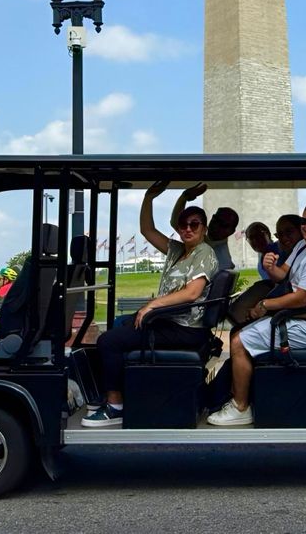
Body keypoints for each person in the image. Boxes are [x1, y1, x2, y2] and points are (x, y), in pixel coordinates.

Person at [82, 180, 219, 427]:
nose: (188, 229)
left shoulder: (204, 253)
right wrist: (149, 197)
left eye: (194, 224)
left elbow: (192, 293)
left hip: (184, 328)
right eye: (184, 225)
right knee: (119, 323)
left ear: (204, 228)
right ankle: (115, 391)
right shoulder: (178, 250)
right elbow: (147, 230)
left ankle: (115, 407)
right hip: (168, 320)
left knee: (108, 341)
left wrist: (152, 305)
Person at [207, 202, 306, 426]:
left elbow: (300, 299)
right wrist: (270, 267)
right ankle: (233, 395)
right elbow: (282, 275)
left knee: (239, 342)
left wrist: (265, 305)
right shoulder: (303, 246)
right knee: (239, 332)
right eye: (305, 221)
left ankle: (240, 407)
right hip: (295, 317)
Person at [227, 215, 304, 325]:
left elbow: (282, 282)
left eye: (259, 235)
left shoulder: (281, 250)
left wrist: (263, 304)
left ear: (268, 234)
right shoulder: (266, 257)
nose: (256, 240)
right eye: (251, 238)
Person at [170, 183, 239, 270]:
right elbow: (176, 224)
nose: (216, 225)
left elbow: (175, 223)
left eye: (223, 224)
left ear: (231, 231)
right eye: (215, 219)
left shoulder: (222, 260)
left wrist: (184, 197)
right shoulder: (204, 241)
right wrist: (183, 198)